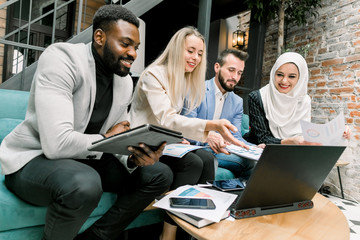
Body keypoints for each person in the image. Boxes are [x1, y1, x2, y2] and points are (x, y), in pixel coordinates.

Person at [0, 5, 173, 240]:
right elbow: (56, 144)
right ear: (99, 37)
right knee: (85, 182)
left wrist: (133, 155)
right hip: (34, 158)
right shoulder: (61, 59)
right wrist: (105, 139)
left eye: (136, 47)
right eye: (125, 44)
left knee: (159, 174)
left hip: (85, 158)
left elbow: (119, 134)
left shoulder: (123, 82)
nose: (133, 53)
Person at [129, 27, 246, 240]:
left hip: (164, 142)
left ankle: (193, 231)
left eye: (200, 54)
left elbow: (173, 124)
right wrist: (210, 126)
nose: (196, 58)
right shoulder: (153, 75)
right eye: (190, 51)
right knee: (192, 162)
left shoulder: (184, 79)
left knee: (206, 158)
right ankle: (168, 234)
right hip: (144, 142)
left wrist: (180, 137)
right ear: (176, 49)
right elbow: (167, 118)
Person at [182, 49, 259, 180]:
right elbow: (186, 128)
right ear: (217, 67)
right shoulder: (196, 89)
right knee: (250, 163)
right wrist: (207, 137)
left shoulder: (237, 102)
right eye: (231, 70)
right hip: (198, 148)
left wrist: (255, 148)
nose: (235, 77)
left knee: (261, 160)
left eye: (239, 73)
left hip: (223, 149)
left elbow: (236, 137)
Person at [248, 51, 351, 145]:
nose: (284, 81)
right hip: (260, 151)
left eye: (291, 76)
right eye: (279, 75)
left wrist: (338, 132)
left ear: (300, 79)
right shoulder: (257, 97)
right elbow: (262, 139)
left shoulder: (304, 100)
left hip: (293, 152)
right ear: (273, 73)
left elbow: (306, 135)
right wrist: (291, 141)